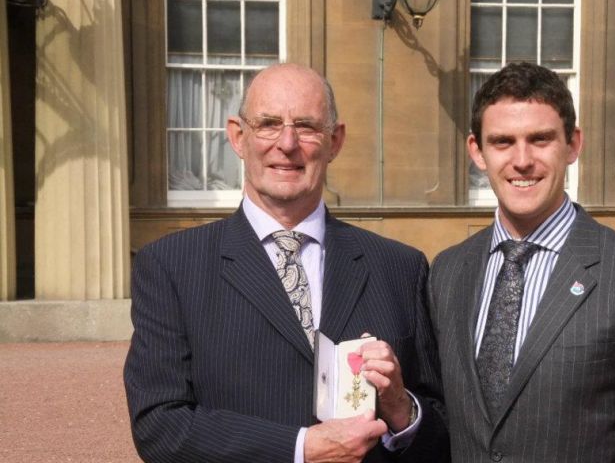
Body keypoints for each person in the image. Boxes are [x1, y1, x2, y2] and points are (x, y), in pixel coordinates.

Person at [124, 63, 448, 463]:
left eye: (307, 126)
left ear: (335, 141)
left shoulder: (400, 267)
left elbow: (441, 435)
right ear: (238, 137)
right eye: (268, 124)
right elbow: (160, 427)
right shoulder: (171, 266)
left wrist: (402, 408)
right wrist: (301, 448)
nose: (287, 143)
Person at [427, 62, 615, 462]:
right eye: (503, 142)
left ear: (573, 144)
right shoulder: (448, 271)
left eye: (540, 139)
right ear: (477, 151)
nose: (521, 160)